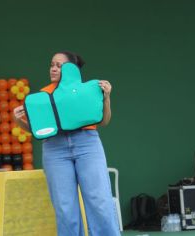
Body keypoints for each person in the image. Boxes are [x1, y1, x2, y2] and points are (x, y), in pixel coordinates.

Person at [13, 51, 120, 236]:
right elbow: (38, 130)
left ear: (72, 69)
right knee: (64, 207)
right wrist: (19, 121)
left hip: (87, 145)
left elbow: (103, 121)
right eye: (52, 65)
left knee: (100, 201)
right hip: (55, 149)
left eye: (59, 65)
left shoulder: (86, 90)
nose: (53, 68)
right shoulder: (43, 96)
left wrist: (106, 98)